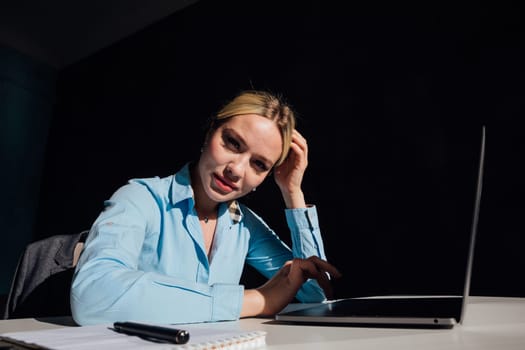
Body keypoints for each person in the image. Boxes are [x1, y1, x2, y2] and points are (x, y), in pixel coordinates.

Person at [70, 89, 341, 325]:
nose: (236, 170)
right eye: (233, 143)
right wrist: (257, 300)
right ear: (210, 130)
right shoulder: (141, 198)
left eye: (258, 164)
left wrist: (292, 191)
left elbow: (315, 294)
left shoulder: (244, 225)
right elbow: (92, 295)